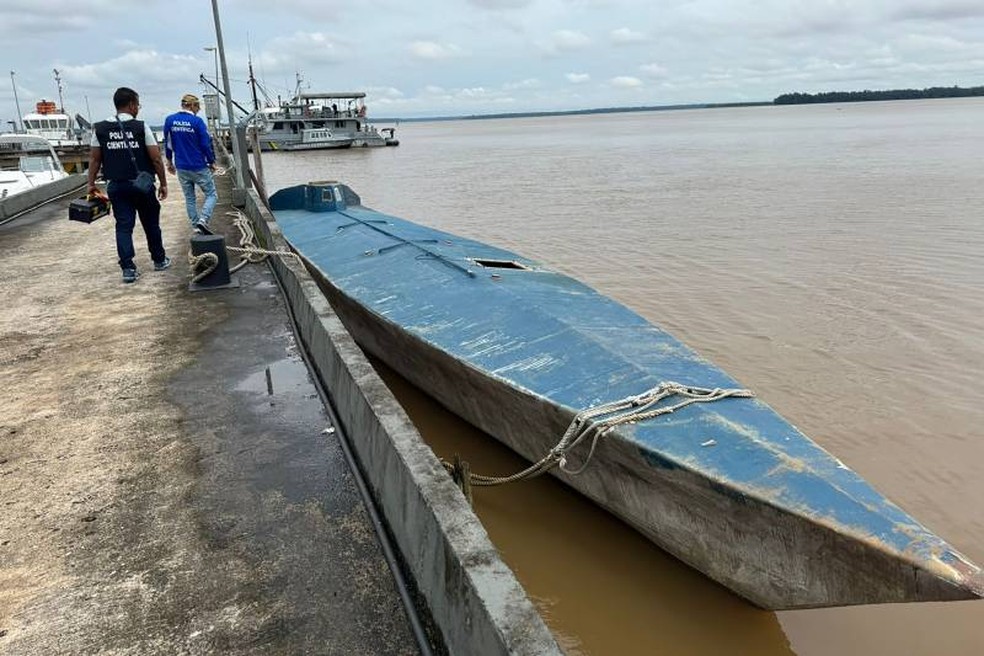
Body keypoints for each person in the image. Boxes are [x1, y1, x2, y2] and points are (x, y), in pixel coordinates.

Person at [87, 87, 169, 284]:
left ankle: (128, 269)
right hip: (142, 185)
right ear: (132, 105)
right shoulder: (141, 127)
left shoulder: (100, 129)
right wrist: (163, 183)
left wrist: (90, 184)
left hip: (117, 185)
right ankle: (159, 260)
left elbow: (94, 159)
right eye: (137, 105)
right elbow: (156, 158)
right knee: (151, 224)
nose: (138, 109)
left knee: (123, 226)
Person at [163, 93, 217, 235]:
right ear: (192, 105)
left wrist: (169, 161)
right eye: (198, 107)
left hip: (181, 166)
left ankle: (195, 226)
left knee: (190, 198)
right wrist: (211, 162)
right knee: (212, 194)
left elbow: (168, 144)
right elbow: (205, 145)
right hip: (198, 165)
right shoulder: (197, 122)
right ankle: (203, 220)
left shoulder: (170, 120)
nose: (198, 110)